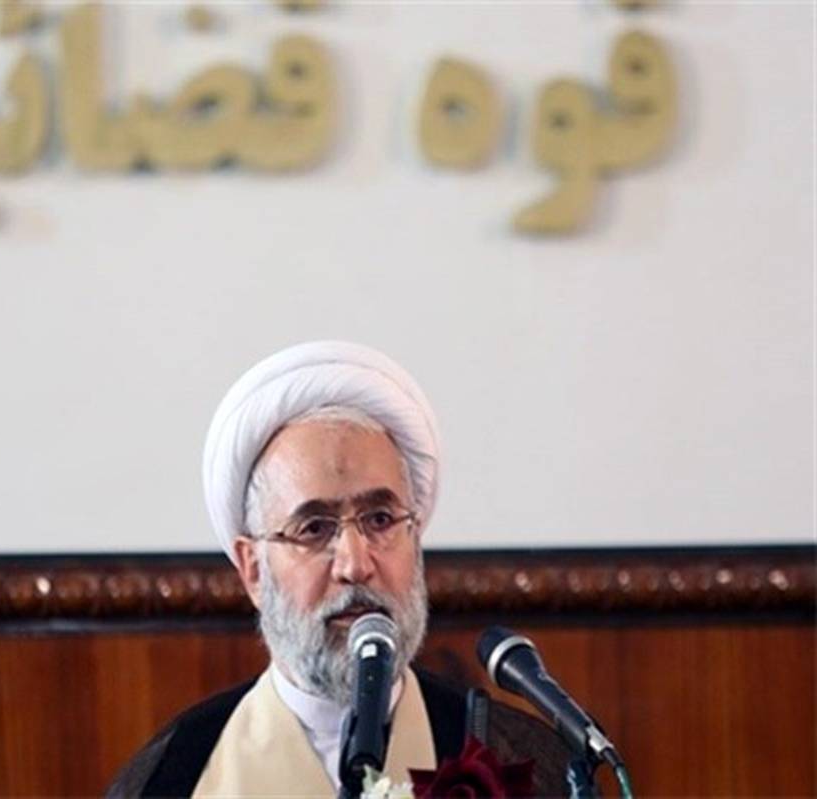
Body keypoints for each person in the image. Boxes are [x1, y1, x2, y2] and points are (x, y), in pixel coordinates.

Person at [108, 341, 570, 798]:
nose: (355, 565)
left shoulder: (514, 760)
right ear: (253, 571)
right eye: (314, 529)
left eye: (380, 520)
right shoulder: (173, 778)